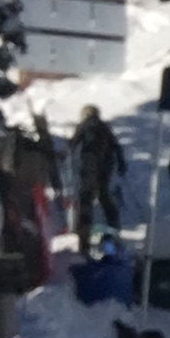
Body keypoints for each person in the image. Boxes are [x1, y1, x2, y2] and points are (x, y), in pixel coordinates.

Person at [69, 105, 124, 245]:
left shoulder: (84, 125)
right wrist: (121, 164)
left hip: (89, 165)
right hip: (106, 166)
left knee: (85, 199)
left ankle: (84, 236)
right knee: (104, 195)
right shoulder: (104, 127)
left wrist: (65, 154)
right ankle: (113, 226)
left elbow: (74, 142)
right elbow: (116, 146)